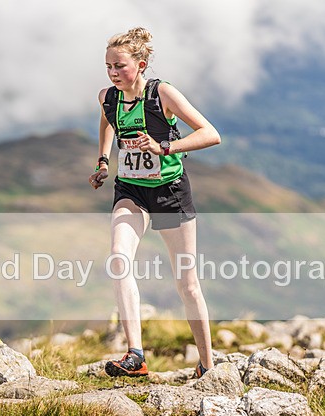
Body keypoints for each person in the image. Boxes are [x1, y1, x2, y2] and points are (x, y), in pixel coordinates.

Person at [89, 27, 221, 378]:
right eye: (108, 66)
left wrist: (164, 147)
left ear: (141, 64)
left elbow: (210, 134)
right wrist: (103, 161)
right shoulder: (108, 97)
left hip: (169, 193)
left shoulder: (161, 93)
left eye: (119, 66)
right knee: (119, 259)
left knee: (187, 284)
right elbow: (105, 122)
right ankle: (135, 355)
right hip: (131, 192)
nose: (113, 73)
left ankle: (207, 365)